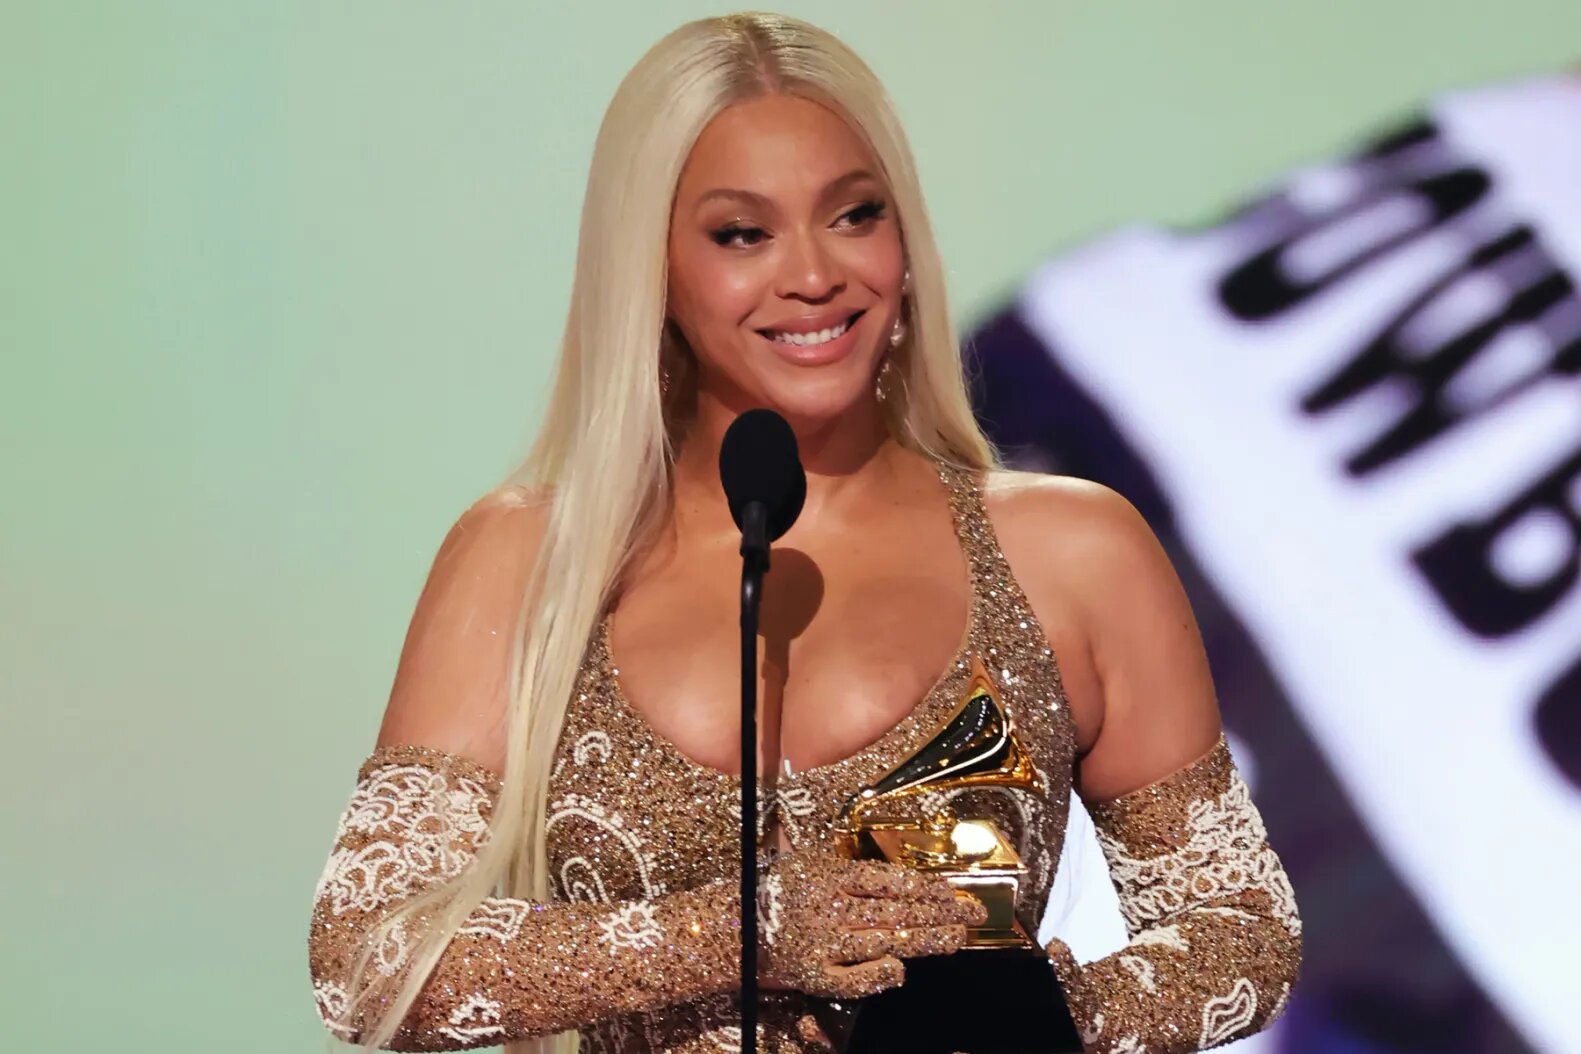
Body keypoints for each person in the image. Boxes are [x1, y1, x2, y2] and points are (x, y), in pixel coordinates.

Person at [305, 12, 1302, 1053]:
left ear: (905, 242)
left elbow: (1242, 927)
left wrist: (1040, 1023)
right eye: (743, 233)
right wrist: (739, 932)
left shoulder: (1073, 554)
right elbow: (369, 963)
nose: (815, 274)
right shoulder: (527, 564)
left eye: (855, 215)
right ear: (652, 269)